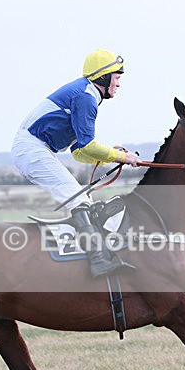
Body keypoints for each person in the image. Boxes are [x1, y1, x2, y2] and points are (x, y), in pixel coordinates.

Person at [11, 49, 138, 277]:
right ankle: (97, 261)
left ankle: (96, 253)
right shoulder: (85, 97)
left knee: (85, 200)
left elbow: (78, 152)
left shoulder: (87, 94)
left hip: (37, 149)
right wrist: (122, 157)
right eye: (117, 77)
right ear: (103, 77)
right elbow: (88, 147)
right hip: (32, 149)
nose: (119, 83)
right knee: (78, 199)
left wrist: (111, 157)